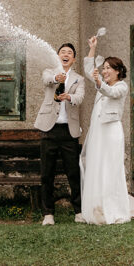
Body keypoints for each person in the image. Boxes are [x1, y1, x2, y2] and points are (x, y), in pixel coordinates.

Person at [79, 33, 131, 225]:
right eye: (104, 68)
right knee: (97, 167)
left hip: (111, 133)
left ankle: (114, 210)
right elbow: (88, 69)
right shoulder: (101, 83)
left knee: (110, 169)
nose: (105, 71)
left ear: (118, 71)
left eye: (108, 68)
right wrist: (92, 47)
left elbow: (109, 91)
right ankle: (96, 209)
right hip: (98, 132)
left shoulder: (121, 87)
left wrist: (99, 82)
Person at [34, 42, 85, 225]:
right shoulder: (49, 72)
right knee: (47, 174)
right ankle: (48, 213)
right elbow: (47, 80)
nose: (66, 55)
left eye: (69, 53)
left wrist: (69, 97)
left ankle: (78, 211)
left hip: (69, 132)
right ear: (58, 56)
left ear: (73, 58)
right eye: (63, 52)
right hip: (49, 130)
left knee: (73, 173)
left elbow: (79, 98)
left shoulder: (79, 79)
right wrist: (58, 78)